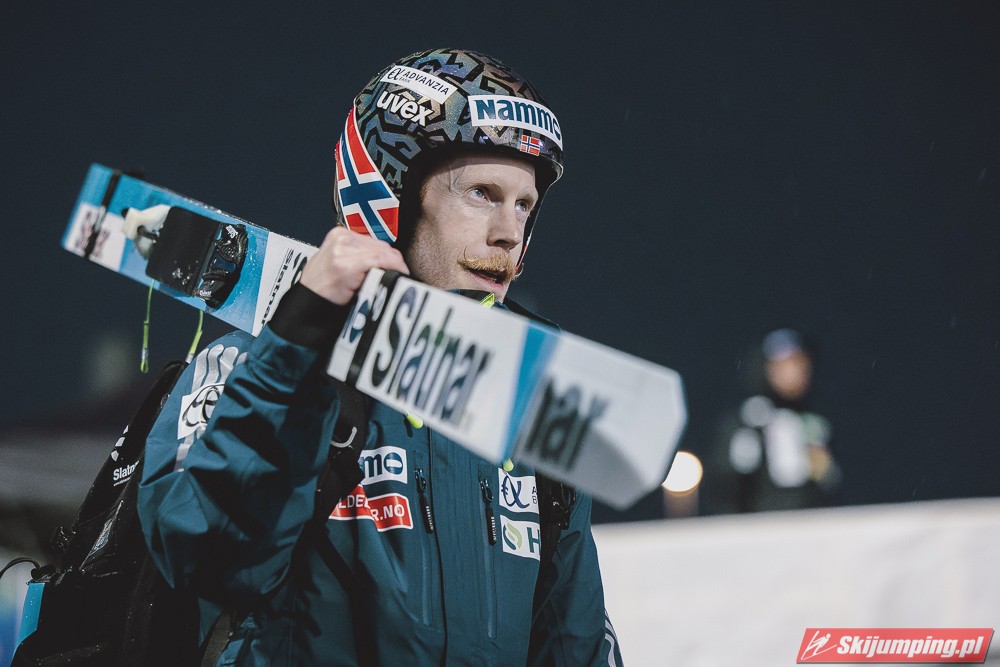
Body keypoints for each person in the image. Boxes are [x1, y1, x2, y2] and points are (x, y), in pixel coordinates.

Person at [138, 48, 623, 666]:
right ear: (395, 195)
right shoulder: (253, 367)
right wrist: (297, 349)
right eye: (482, 193)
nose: (509, 232)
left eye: (524, 205)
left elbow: (574, 643)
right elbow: (205, 558)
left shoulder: (528, 403)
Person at [714, 328, 841, 513]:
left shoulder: (816, 420)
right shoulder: (749, 419)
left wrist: (825, 471)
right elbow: (727, 484)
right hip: (764, 522)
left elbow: (829, 482)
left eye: (801, 364)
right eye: (786, 366)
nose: (796, 372)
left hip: (811, 521)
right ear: (766, 369)